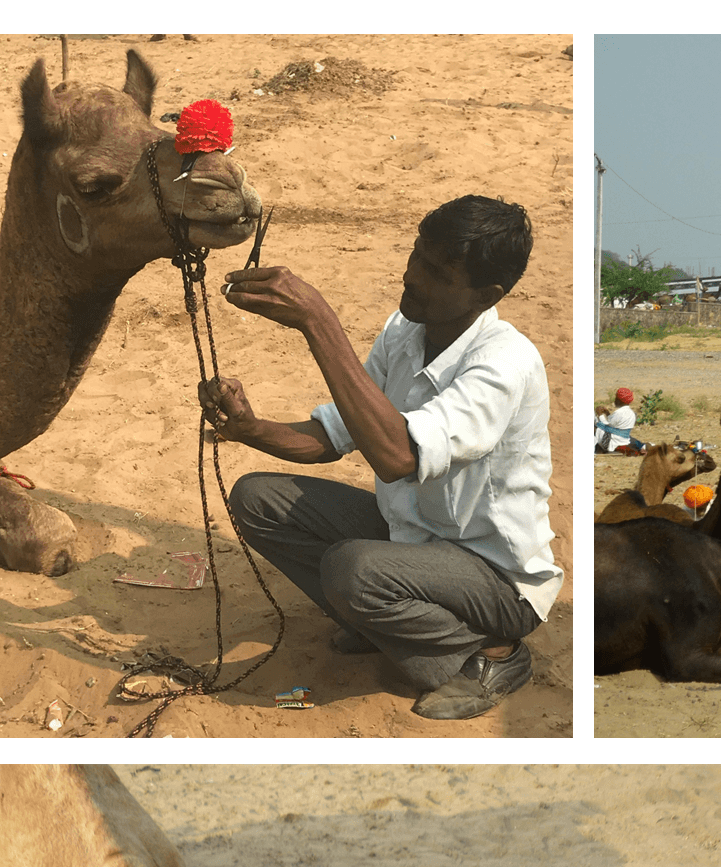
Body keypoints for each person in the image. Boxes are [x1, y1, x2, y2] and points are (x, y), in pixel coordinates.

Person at [202, 195, 560, 721]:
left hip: (493, 578)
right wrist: (249, 429)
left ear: (486, 296)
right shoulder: (406, 330)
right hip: (414, 540)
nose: (411, 275)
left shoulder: (503, 363)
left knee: (353, 570)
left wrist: (318, 322)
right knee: (257, 499)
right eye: (417, 255)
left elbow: (396, 457)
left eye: (436, 272)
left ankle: (493, 653)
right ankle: (383, 623)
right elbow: (336, 435)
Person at [595, 387, 638, 452]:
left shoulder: (619, 412)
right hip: (624, 441)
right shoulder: (631, 413)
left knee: (595, 427)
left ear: (619, 400)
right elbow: (614, 424)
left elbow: (607, 426)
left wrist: (600, 414)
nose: (615, 400)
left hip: (612, 443)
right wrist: (607, 413)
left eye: (616, 398)